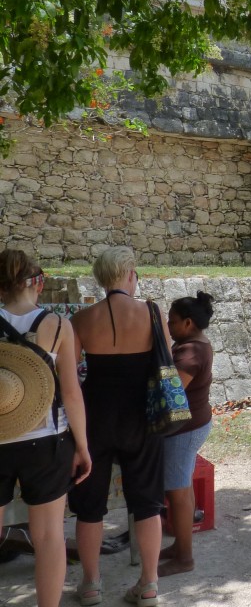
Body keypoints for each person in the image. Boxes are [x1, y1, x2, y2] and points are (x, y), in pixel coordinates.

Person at [69, 247, 169, 607]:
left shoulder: (81, 319)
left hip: (94, 418)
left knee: (89, 506)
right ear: (129, 273)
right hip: (142, 418)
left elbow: (70, 376)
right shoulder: (152, 313)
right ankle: (149, 584)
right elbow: (166, 361)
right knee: (147, 504)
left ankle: (92, 584)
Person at [0, 249, 91, 607]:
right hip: (47, 439)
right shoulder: (57, 325)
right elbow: (71, 392)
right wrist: (82, 447)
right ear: (36, 283)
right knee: (50, 535)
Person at [158, 291, 215, 577]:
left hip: (184, 429)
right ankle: (180, 546)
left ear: (188, 323)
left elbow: (171, 391)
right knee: (184, 488)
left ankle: (185, 558)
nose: (169, 326)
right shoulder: (196, 344)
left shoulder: (191, 353)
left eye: (172, 321)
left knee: (178, 494)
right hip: (194, 424)